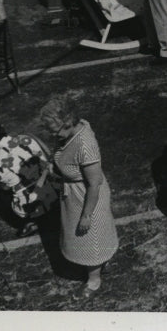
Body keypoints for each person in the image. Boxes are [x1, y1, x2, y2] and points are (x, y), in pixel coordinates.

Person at [39, 97, 119, 292]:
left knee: (90, 236)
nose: (51, 134)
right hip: (74, 194)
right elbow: (62, 153)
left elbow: (94, 184)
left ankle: (94, 278)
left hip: (88, 196)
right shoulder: (68, 133)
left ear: (67, 122)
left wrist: (87, 215)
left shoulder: (85, 146)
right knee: (80, 235)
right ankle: (94, 264)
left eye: (54, 129)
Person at [0, 133, 58, 237]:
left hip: (33, 205)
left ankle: (30, 221)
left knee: (0, 195)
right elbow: (49, 155)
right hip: (54, 190)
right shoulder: (28, 136)